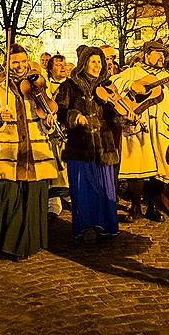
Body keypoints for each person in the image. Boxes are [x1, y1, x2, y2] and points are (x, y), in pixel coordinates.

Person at [0, 43, 60, 260]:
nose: (19, 66)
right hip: (10, 147)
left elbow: (48, 112)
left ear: (28, 61)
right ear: (8, 63)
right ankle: (4, 244)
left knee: (33, 198)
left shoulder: (38, 84)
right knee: (9, 196)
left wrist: (48, 120)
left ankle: (26, 246)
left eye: (22, 62)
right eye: (14, 62)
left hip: (36, 147)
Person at [113, 42, 169, 222]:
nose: (162, 57)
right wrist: (132, 85)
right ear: (147, 54)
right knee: (137, 167)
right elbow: (115, 83)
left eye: (164, 54)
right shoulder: (134, 72)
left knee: (162, 169)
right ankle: (134, 206)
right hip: (138, 127)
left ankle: (154, 206)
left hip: (162, 127)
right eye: (157, 53)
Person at [55, 46, 120, 242]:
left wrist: (125, 114)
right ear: (84, 64)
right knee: (83, 189)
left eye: (99, 62)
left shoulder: (108, 87)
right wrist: (76, 117)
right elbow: (60, 112)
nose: (97, 66)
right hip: (80, 146)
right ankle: (86, 227)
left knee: (104, 189)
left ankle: (105, 225)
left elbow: (115, 116)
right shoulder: (69, 86)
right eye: (93, 62)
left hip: (104, 146)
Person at [45, 53, 69, 218]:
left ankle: (71, 197)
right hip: (50, 132)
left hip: (67, 131)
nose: (63, 68)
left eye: (64, 64)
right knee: (53, 167)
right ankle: (54, 203)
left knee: (68, 167)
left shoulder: (72, 85)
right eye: (58, 65)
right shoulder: (44, 86)